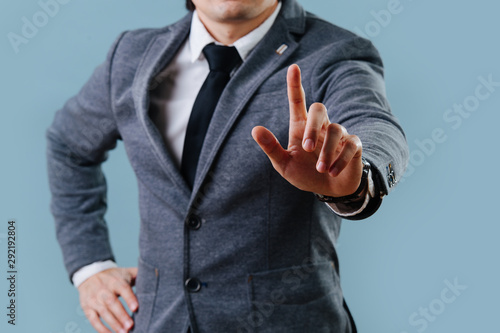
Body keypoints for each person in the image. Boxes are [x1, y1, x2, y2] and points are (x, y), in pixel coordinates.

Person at [46, 0, 409, 332]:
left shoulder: (335, 53)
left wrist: (357, 179)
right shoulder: (130, 55)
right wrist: (90, 266)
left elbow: (373, 124)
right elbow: (68, 146)